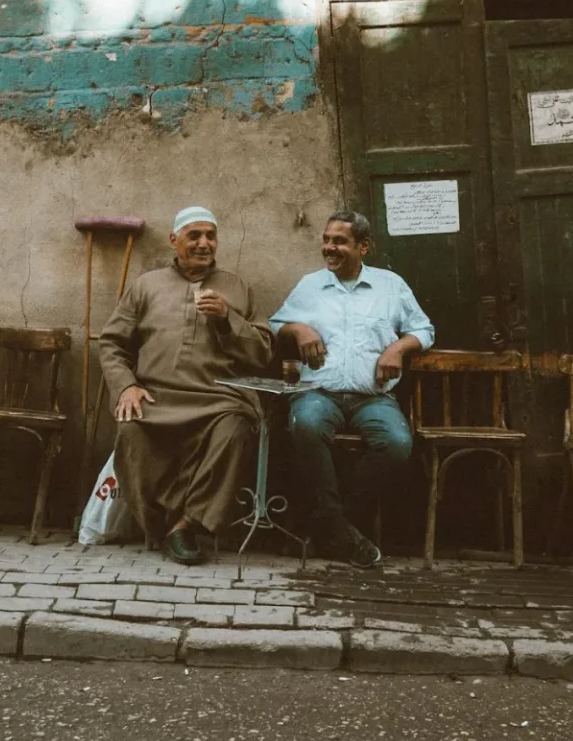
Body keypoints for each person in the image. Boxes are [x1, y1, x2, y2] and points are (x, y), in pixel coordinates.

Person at [98, 206, 274, 565]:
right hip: (156, 395)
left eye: (211, 236)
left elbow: (262, 354)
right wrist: (126, 387)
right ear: (174, 240)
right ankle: (157, 525)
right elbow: (112, 343)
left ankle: (185, 524)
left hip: (218, 396)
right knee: (131, 429)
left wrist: (229, 319)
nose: (204, 243)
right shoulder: (146, 286)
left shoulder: (237, 288)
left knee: (236, 428)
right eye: (194, 235)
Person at [270, 211, 433, 568]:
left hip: (373, 398)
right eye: (327, 240)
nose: (329, 248)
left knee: (396, 444)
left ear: (363, 247)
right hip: (318, 392)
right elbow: (276, 324)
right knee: (307, 426)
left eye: (339, 241)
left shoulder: (390, 285)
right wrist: (298, 328)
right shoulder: (311, 285)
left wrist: (398, 348)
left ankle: (330, 525)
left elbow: (424, 329)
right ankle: (341, 532)